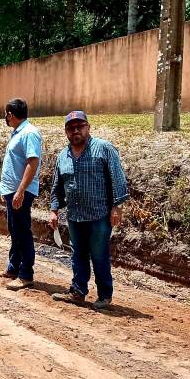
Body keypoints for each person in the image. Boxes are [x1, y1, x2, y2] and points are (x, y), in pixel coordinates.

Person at [48, 111, 129, 309]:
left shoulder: (103, 149)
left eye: (80, 126)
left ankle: (104, 296)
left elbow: (117, 179)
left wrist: (117, 207)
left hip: (99, 215)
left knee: (99, 254)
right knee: (78, 255)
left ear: (88, 127)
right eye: (71, 128)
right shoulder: (62, 156)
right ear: (66, 132)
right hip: (75, 216)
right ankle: (78, 291)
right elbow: (57, 187)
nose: (76, 131)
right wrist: (54, 210)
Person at [0, 98, 43, 290]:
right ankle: (13, 268)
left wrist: (20, 191)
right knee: (14, 231)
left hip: (20, 192)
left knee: (22, 232)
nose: (5, 118)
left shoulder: (29, 133)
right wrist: (5, 189)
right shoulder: (18, 133)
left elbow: (33, 163)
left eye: (5, 114)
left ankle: (26, 275)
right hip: (12, 191)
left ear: (10, 115)